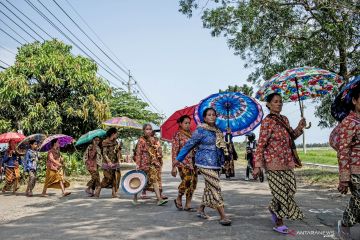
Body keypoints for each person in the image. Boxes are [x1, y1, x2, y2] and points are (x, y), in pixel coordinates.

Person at [253, 92, 306, 234]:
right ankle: (279, 221)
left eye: (281, 101)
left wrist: (300, 127)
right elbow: (261, 144)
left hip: (287, 161)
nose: (279, 104)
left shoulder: (285, 119)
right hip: (272, 162)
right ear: (269, 105)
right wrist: (257, 165)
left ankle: (273, 207)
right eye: (275, 101)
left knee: (291, 189)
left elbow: (291, 137)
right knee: (280, 192)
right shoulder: (267, 122)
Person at [175, 108, 232, 226]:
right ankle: (223, 216)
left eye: (214, 115)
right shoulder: (200, 130)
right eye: (209, 115)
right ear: (205, 118)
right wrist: (178, 159)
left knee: (209, 187)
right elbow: (189, 145)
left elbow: (223, 146)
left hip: (216, 163)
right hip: (204, 162)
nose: (212, 117)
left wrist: (228, 135)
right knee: (215, 186)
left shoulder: (218, 131)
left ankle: (201, 209)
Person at [336, 85, 360, 240]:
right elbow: (343, 150)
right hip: (355, 169)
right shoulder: (348, 122)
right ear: (354, 101)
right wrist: (344, 178)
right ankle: (345, 223)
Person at [133, 124, 168, 206]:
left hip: (152, 163)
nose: (149, 131)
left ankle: (159, 199)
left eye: (150, 129)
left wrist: (157, 160)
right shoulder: (141, 140)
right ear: (143, 130)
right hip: (143, 164)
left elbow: (155, 151)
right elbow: (138, 153)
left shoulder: (153, 140)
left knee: (154, 180)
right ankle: (134, 198)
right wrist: (137, 164)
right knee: (139, 181)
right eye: (147, 129)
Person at [172, 115, 198, 211]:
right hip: (182, 162)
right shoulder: (177, 135)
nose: (187, 125)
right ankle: (179, 197)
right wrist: (174, 167)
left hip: (194, 162)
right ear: (180, 124)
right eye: (185, 123)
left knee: (193, 183)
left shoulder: (192, 134)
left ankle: (188, 204)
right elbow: (174, 151)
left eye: (189, 123)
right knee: (187, 180)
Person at [96, 128, 121, 198]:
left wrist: (118, 148)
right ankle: (99, 188)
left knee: (115, 177)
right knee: (108, 178)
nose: (117, 135)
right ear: (113, 134)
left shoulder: (116, 142)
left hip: (115, 162)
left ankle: (114, 193)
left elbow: (117, 152)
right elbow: (104, 153)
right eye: (117, 133)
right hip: (107, 163)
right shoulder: (105, 142)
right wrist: (109, 162)